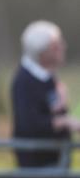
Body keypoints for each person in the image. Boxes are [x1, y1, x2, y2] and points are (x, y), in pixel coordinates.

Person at [11, 20, 80, 167]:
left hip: (57, 160)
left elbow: (53, 110)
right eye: (56, 46)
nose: (63, 47)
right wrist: (64, 122)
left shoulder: (48, 77)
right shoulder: (24, 81)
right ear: (42, 52)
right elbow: (29, 125)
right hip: (38, 165)